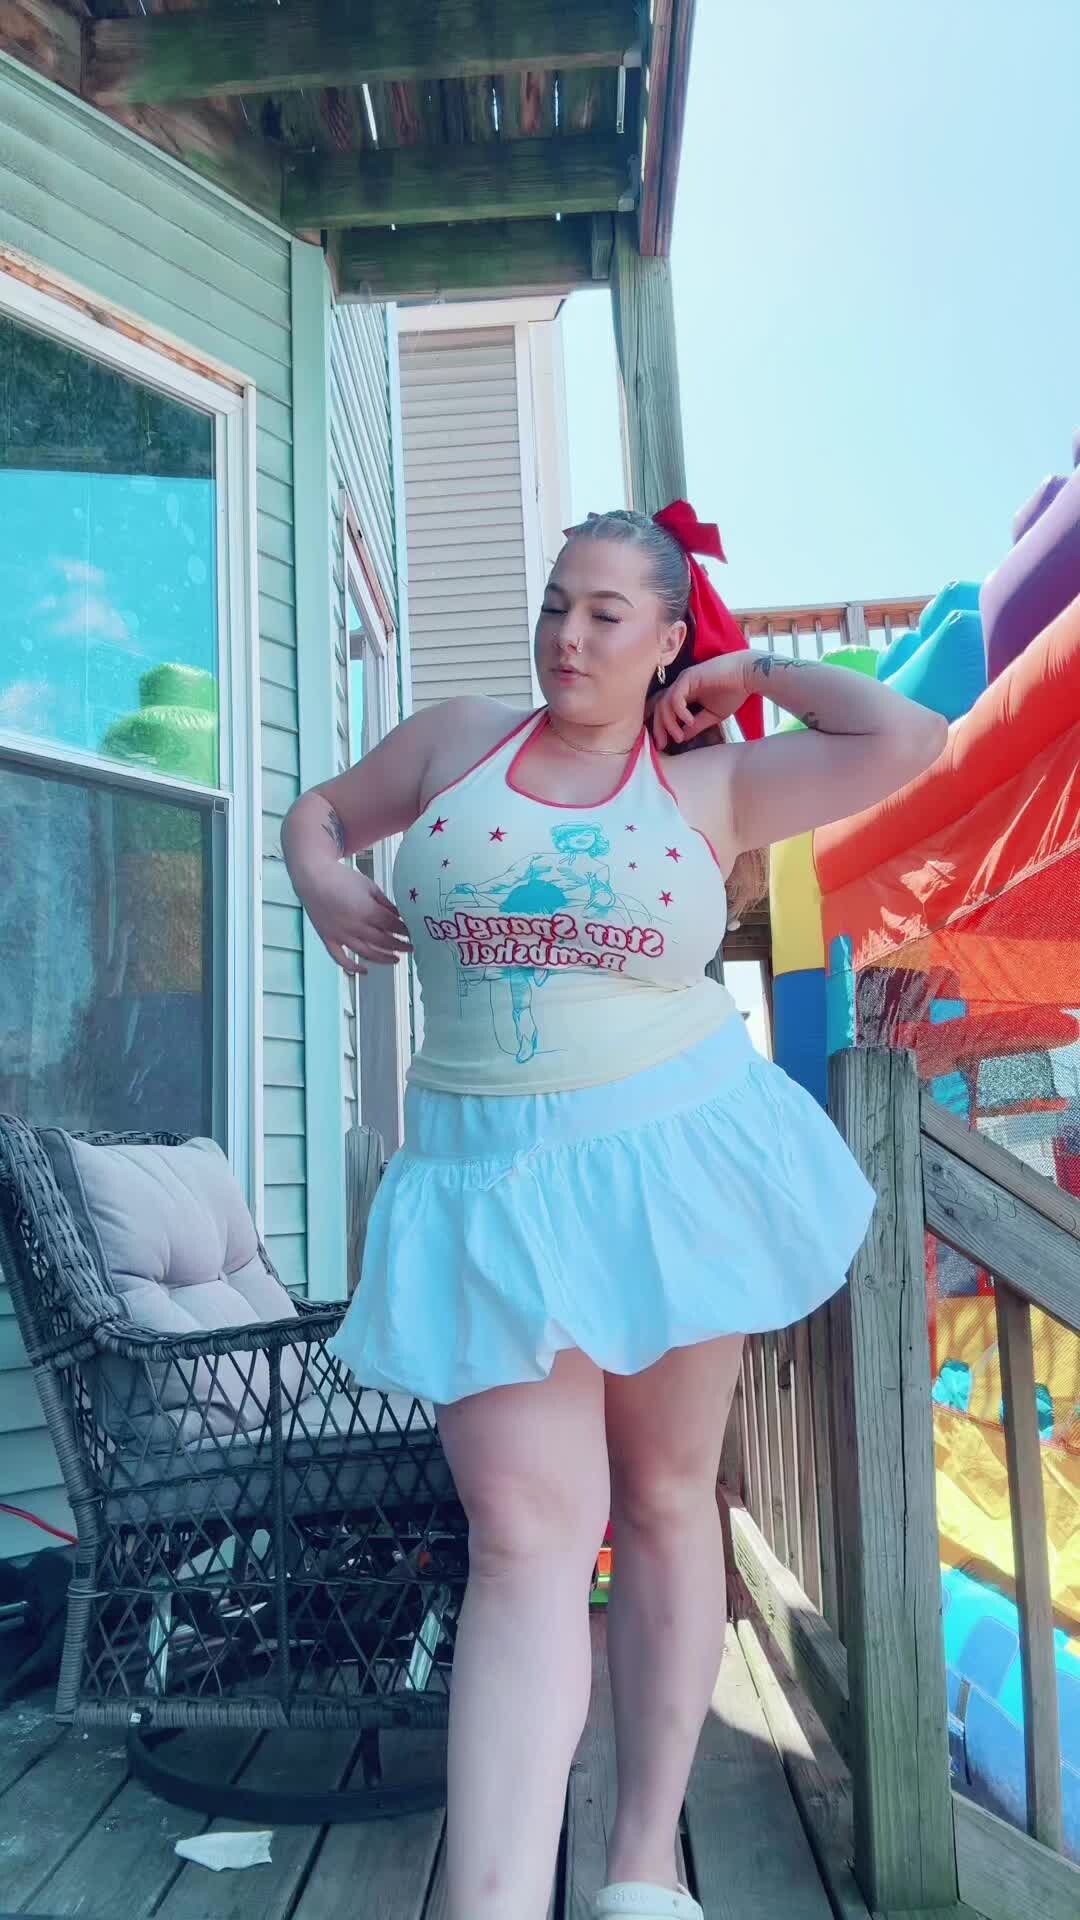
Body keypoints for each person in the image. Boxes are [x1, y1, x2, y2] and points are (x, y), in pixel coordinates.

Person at [282, 505, 947, 1920]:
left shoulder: (713, 789)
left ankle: (643, 1866)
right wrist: (322, 872)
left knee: (659, 1499)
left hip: (667, 1169)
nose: (568, 637)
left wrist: (751, 676)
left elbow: (908, 737)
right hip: (480, 1180)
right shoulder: (459, 744)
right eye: (555, 605)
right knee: (524, 1537)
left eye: (605, 614)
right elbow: (323, 811)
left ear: (663, 641)